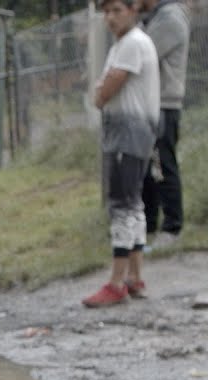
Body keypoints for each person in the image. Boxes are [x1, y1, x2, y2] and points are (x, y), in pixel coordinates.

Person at [83, 0, 159, 308]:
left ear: (133, 9)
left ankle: (115, 283)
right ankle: (134, 278)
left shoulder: (131, 44)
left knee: (121, 205)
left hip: (127, 133)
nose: (110, 18)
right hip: (132, 133)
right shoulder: (125, 44)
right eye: (106, 12)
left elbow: (105, 91)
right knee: (134, 204)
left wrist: (100, 92)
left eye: (117, 10)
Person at [140, 0, 189, 248]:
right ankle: (148, 225)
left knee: (163, 165)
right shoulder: (154, 17)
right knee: (147, 168)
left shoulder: (170, 18)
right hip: (151, 103)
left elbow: (143, 54)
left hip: (165, 104)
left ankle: (172, 227)